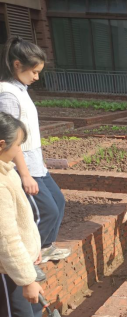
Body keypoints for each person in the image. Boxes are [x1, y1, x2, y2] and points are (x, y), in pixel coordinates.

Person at [0, 36, 70, 275]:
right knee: (45, 212)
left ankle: (46, 247)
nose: (37, 77)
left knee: (58, 202)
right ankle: (26, 262)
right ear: (17, 65)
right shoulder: (7, 94)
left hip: (35, 163)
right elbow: (12, 140)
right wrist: (26, 175)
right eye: (34, 71)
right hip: (23, 166)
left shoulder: (21, 89)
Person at [0, 113, 57, 317]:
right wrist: (25, 279)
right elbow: (6, 239)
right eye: (18, 145)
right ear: (2, 144)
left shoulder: (5, 169)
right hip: (8, 270)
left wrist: (32, 253)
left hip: (21, 261)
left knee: (32, 313)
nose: (19, 151)